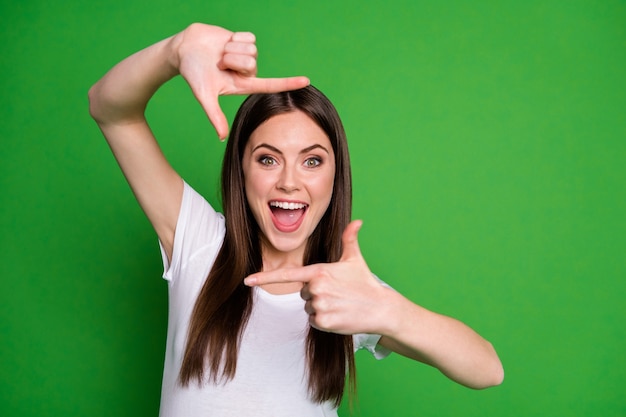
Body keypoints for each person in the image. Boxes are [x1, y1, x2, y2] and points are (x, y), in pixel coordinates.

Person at [88, 22, 503, 417]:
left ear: (334, 176)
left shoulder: (348, 294)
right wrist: (174, 51)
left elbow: (487, 369)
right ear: (242, 170)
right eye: (268, 159)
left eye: (312, 161)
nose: (289, 182)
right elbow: (110, 109)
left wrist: (390, 312)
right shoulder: (200, 241)